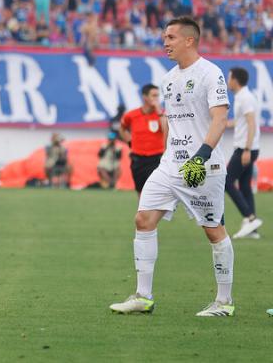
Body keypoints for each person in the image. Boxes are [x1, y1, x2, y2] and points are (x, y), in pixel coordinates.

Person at [110, 17, 233, 317]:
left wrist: (202, 155)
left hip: (203, 166)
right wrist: (166, 153)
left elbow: (220, 119)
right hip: (170, 165)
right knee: (143, 220)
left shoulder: (210, 73)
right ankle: (143, 296)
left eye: (171, 37)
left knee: (213, 231)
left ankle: (224, 302)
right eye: (164, 37)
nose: (165, 42)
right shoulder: (167, 79)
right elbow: (171, 123)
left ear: (189, 40)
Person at [224, 67, 263, 239]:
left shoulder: (245, 98)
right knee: (245, 186)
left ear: (235, 80)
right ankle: (252, 229)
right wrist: (221, 124)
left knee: (227, 182)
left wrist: (247, 149)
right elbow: (241, 123)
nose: (227, 80)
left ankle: (250, 217)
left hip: (245, 149)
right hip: (247, 148)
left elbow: (251, 123)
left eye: (229, 77)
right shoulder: (242, 97)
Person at [119, 84, 166, 195]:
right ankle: (143, 212)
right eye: (153, 95)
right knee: (141, 192)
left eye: (158, 96)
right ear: (145, 97)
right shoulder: (131, 115)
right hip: (138, 159)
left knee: (156, 191)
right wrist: (130, 142)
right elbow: (122, 128)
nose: (156, 99)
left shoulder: (161, 114)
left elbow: (166, 130)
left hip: (156, 158)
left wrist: (159, 111)